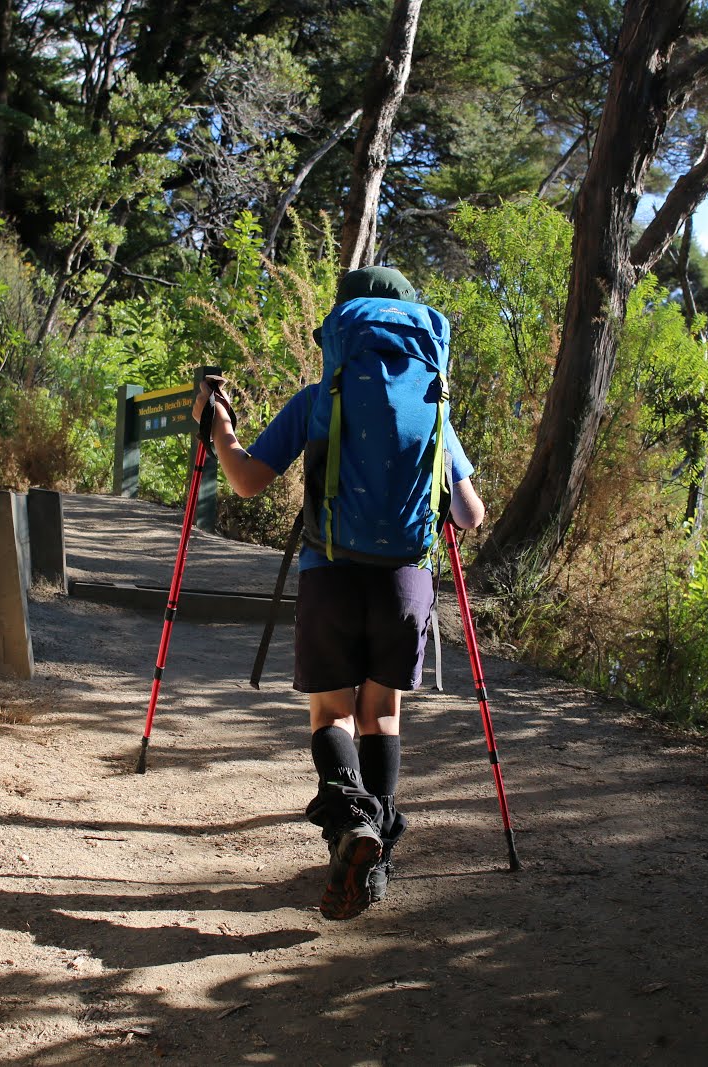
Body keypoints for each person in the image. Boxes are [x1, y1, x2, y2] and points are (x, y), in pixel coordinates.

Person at [192, 265, 485, 920]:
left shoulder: (318, 398)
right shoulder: (434, 403)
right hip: (405, 583)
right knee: (382, 713)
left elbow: (246, 481)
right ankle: (375, 863)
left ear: (342, 328)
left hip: (329, 573)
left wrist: (220, 428)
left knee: (332, 713)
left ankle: (351, 827)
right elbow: (470, 514)